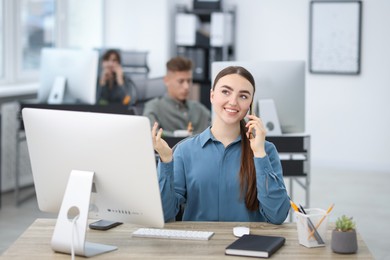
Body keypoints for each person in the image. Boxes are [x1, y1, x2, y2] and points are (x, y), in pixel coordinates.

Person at [152, 66, 290, 224]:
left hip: (248, 244)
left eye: (243, 96)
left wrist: (259, 154)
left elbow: (277, 215)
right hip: (197, 245)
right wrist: (166, 162)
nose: (233, 102)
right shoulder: (185, 151)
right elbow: (164, 214)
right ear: (212, 96)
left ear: (250, 104)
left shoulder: (266, 151)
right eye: (226, 92)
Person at [142, 56, 210, 136]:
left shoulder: (200, 110)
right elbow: (151, 134)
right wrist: (180, 135)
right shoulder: (154, 107)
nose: (186, 86)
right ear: (166, 80)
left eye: (189, 81)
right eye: (181, 81)